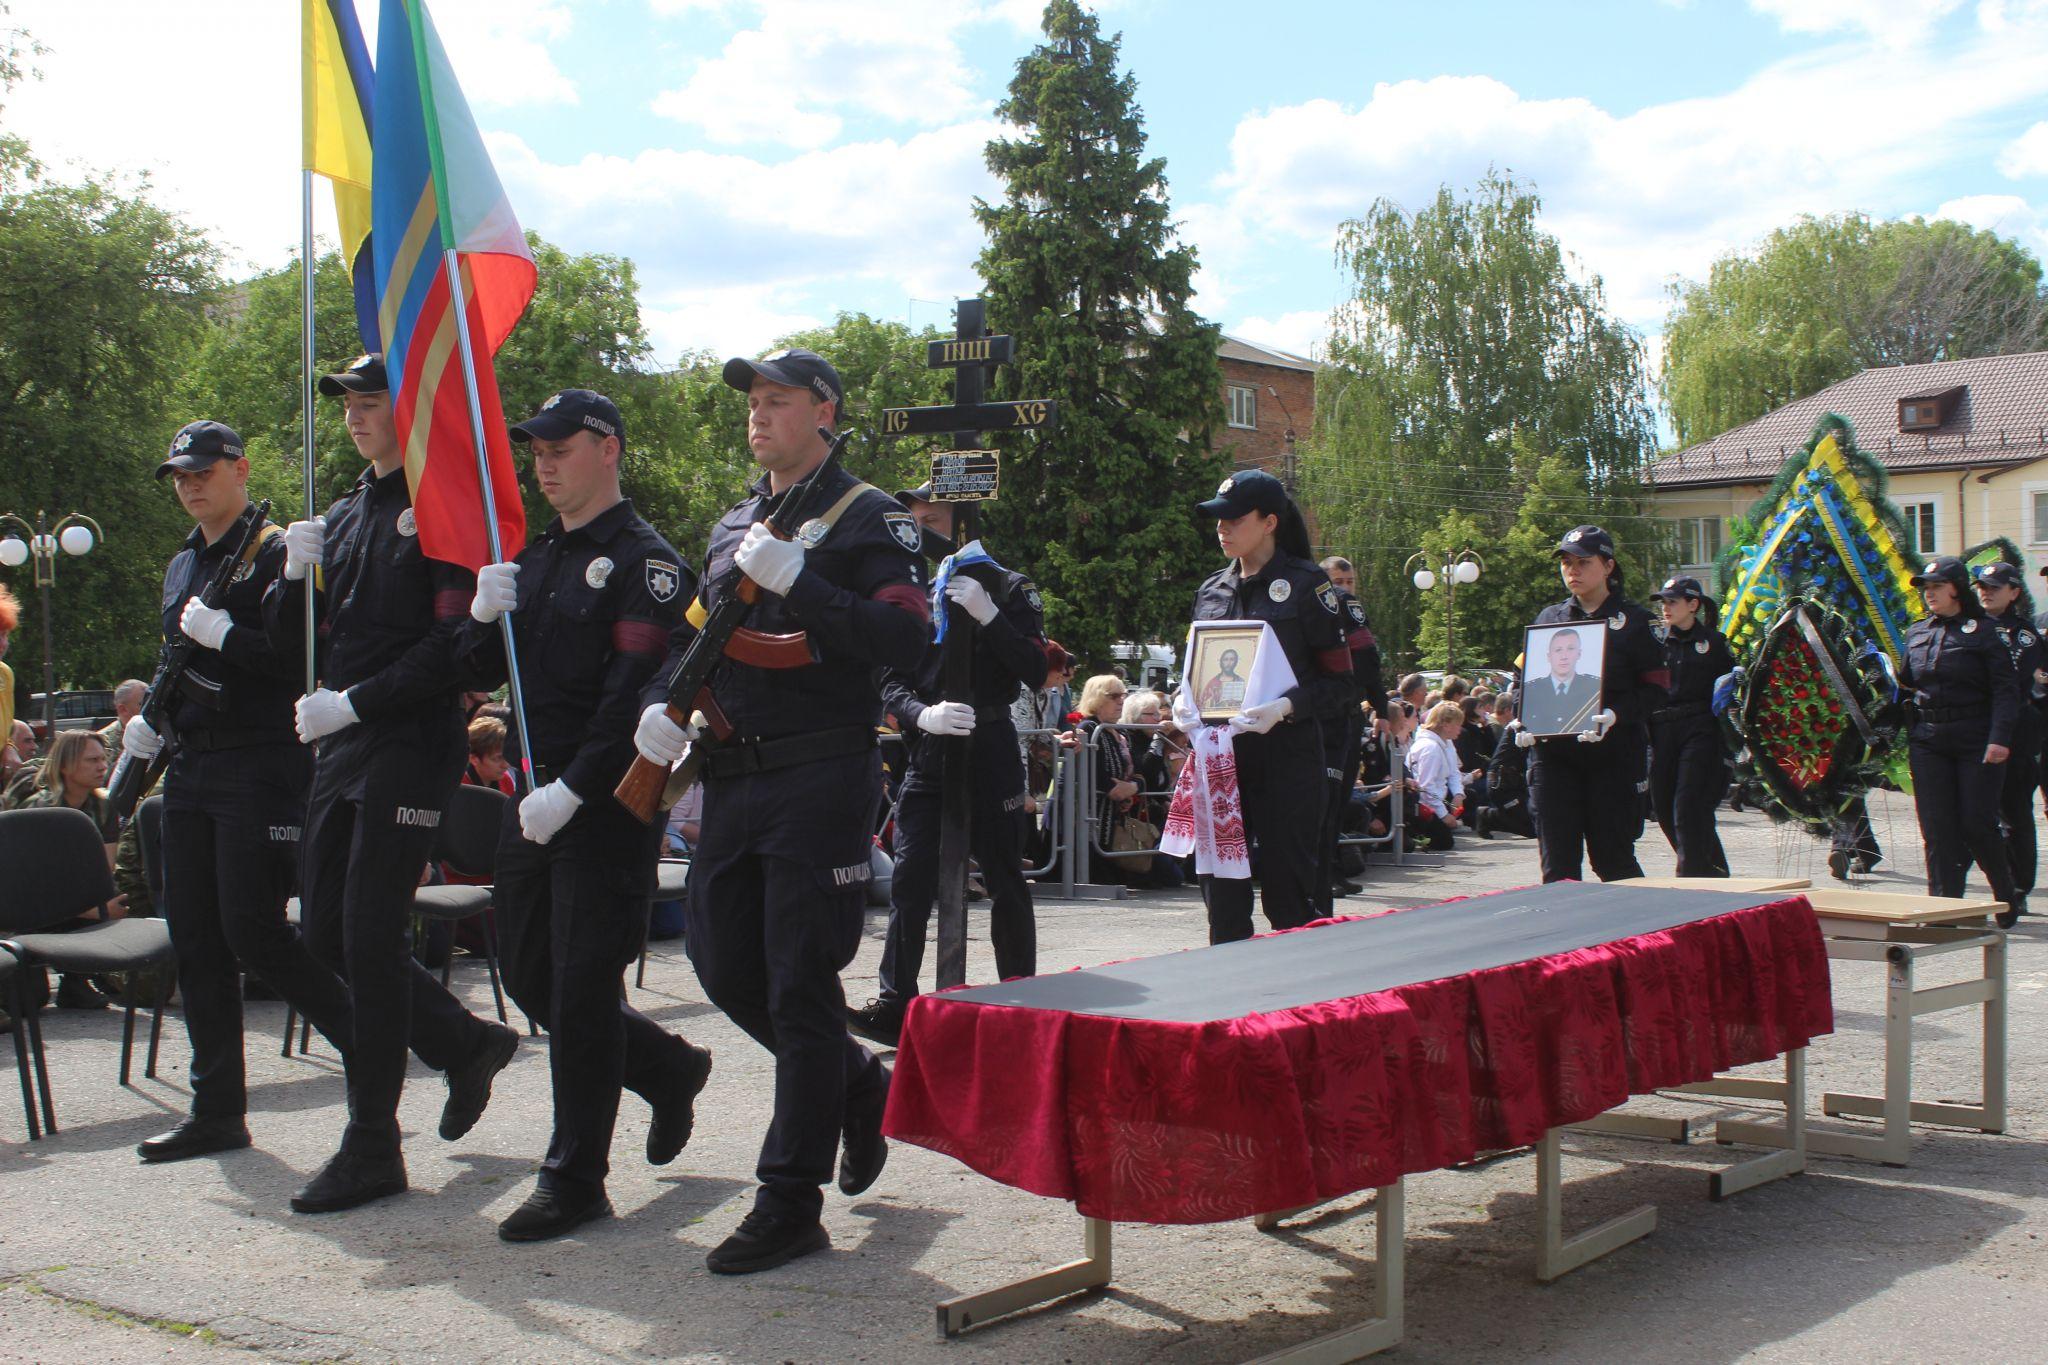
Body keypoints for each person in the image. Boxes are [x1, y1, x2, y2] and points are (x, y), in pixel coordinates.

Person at [632, 346, 922, 1274]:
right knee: (722, 966)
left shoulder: (872, 516)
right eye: (753, 401)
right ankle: (860, 1083)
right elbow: (705, 636)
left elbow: (906, 639)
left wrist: (808, 581)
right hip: (732, 776)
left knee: (800, 985)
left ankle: (789, 1197)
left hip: (821, 775)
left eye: (779, 399)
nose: (759, 413)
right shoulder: (733, 523)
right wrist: (665, 704)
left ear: (825, 409)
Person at [457, 388, 714, 1242]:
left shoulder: (649, 563)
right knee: (531, 976)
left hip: (600, 806)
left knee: (578, 988)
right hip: (533, 802)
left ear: (608, 447)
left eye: (561, 446)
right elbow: (483, 673)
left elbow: (633, 693)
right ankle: (670, 1065)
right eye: (536, 449)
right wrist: (481, 614)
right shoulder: (532, 559)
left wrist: (575, 787)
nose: (545, 461)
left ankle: (574, 1176)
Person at [267, 354, 521, 1214]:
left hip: (405, 740)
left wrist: (358, 703)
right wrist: (289, 577)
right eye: (347, 403)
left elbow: (456, 651)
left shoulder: (440, 508)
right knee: (327, 937)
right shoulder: (343, 513)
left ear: (407, 413)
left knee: (369, 937)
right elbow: (297, 642)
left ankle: (372, 1142)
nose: (353, 415)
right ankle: (463, 1041)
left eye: (371, 402)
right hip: (342, 743)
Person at [120, 423, 356, 1163]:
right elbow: (175, 660)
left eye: (202, 471)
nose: (190, 485)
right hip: (193, 765)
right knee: (195, 937)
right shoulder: (182, 563)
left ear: (239, 470)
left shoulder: (279, 553)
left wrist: (225, 636)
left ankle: (374, 1039)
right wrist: (152, 728)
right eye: (180, 476)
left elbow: (296, 663)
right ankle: (217, 1108)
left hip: (259, 763)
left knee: (254, 929)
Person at [848, 484, 1046, 1047]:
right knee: (910, 878)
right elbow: (888, 677)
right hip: (931, 744)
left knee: (1005, 873)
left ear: (962, 518)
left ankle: (1020, 995)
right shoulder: (913, 592)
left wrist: (989, 617)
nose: (922, 523)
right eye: (916, 516)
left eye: (932, 515)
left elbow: (1034, 667)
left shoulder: (1009, 586)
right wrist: (919, 714)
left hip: (988, 741)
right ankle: (895, 999)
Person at [1188, 469, 1352, 943]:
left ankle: (1297, 1007)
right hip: (1222, 764)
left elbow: (1341, 684)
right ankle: (1230, 1010)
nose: (1222, 528)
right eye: (1218, 520)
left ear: (1269, 522)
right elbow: (1199, 670)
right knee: (1223, 903)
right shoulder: (1211, 591)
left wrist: (1286, 707)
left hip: (1288, 761)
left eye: (1234, 519)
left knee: (1289, 900)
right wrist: (1187, 704)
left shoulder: (1308, 586)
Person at [1520, 526, 1664, 883]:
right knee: (1558, 869)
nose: (1573, 570)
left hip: (1612, 759)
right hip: (1554, 758)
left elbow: (1658, 691)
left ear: (1608, 566)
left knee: (1614, 862)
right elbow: (1524, 679)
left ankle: (1635, 938)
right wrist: (1521, 719)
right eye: (1567, 563)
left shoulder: (1638, 622)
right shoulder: (1548, 620)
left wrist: (1617, 714)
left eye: (1583, 562)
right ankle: (1564, 938)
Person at [1898, 557, 2025, 925]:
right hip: (1928, 739)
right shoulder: (1917, 632)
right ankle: (1944, 907)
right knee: (1937, 827)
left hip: (1975, 738)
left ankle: (2004, 894)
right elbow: (1907, 682)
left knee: (1976, 824)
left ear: (1956, 589)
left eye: (1936, 587)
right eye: (1926, 588)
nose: (1929, 594)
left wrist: (1999, 738)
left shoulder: (1985, 632)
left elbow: (2006, 691)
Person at [21, 730, 127, 1010]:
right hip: (30, 912)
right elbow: (33, 887)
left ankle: (77, 980)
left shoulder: (103, 806)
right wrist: (95, 912)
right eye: (92, 760)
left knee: (111, 894)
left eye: (104, 759)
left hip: (76, 900)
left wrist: (103, 905)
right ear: (65, 766)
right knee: (28, 1000)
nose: (102, 766)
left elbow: (103, 873)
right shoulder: (41, 810)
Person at [1647, 575, 1734, 878]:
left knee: (1688, 806)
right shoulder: (1655, 643)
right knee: (1663, 808)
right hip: (1661, 731)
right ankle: (1713, 868)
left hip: (1699, 729)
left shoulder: (1714, 643)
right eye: (1663, 603)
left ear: (1693, 604)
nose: (1666, 608)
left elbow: (1729, 693)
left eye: (1673, 601)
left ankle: (1690, 876)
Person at [1973, 561, 2046, 909]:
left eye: (1995, 587)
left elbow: (2008, 680)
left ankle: (2018, 887)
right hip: (1972, 732)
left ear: (2014, 592)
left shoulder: (2024, 634)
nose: (1986, 592)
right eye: (1982, 586)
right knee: (1978, 814)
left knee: (2014, 812)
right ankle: (2002, 880)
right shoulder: (1968, 627)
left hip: (2016, 732)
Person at [1521, 627, 1604, 737]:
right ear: (1549, 656)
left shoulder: (1594, 687)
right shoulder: (1531, 690)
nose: (1564, 656)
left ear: (1579, 654)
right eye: (1558, 650)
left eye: (1570, 649)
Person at [1405, 700, 1466, 850]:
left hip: (1435, 797)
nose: (1460, 728)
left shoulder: (1445, 743)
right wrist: (1444, 815)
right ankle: (1414, 835)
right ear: (1445, 725)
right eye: (1457, 724)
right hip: (1421, 803)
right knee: (1444, 842)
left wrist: (1459, 794)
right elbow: (1425, 788)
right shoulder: (1430, 749)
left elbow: (1453, 772)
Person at [95, 679, 146, 773]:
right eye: (143, 704)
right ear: (123, 709)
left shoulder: (159, 737)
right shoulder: (99, 743)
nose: (148, 709)